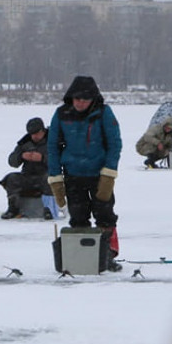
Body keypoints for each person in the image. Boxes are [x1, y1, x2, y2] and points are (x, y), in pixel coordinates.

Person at [47, 76, 123, 272]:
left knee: (105, 216)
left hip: (99, 175)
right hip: (73, 175)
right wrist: (56, 178)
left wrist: (109, 174)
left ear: (93, 99)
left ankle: (107, 256)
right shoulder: (61, 114)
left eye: (85, 99)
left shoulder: (104, 113)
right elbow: (53, 147)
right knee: (78, 217)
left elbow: (115, 143)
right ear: (71, 98)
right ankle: (81, 257)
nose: (80, 102)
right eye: (77, 98)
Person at [0, 117, 53, 219]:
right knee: (11, 178)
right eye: (32, 134)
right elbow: (12, 161)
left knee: (49, 178)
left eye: (36, 133)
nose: (34, 136)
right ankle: (13, 208)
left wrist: (43, 158)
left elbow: (62, 161)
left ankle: (49, 209)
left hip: (46, 176)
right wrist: (21, 156)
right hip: (28, 177)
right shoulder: (25, 142)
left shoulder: (53, 140)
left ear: (43, 130)